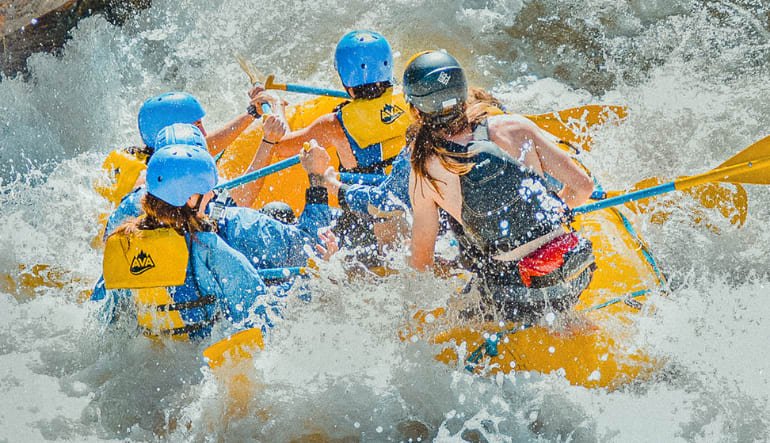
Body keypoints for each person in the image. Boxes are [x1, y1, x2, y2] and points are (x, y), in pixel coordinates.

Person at [403, 51, 596, 321]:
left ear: (416, 109)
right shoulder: (515, 126)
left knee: (450, 317)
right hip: (575, 266)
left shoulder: (424, 169)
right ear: (464, 92)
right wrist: (556, 209)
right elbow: (584, 187)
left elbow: (422, 259)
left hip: (513, 294)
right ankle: (569, 320)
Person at [92, 143, 278, 340]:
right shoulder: (206, 245)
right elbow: (255, 304)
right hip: (200, 348)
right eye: (207, 189)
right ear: (190, 199)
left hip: (148, 351)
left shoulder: (121, 242)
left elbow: (106, 316)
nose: (212, 194)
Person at [250, 30, 412, 250]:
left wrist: (275, 103)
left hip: (365, 222)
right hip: (413, 208)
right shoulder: (413, 101)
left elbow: (281, 145)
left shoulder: (335, 123)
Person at [103, 123, 338, 272]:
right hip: (220, 333)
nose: (214, 192)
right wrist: (317, 179)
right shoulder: (235, 224)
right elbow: (309, 247)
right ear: (191, 198)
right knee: (279, 213)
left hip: (162, 331)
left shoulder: (123, 231)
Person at [97, 88, 274, 206]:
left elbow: (205, 145)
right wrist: (269, 142)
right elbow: (241, 200)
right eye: (197, 127)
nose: (203, 133)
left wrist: (251, 114)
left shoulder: (134, 159)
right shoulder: (177, 178)